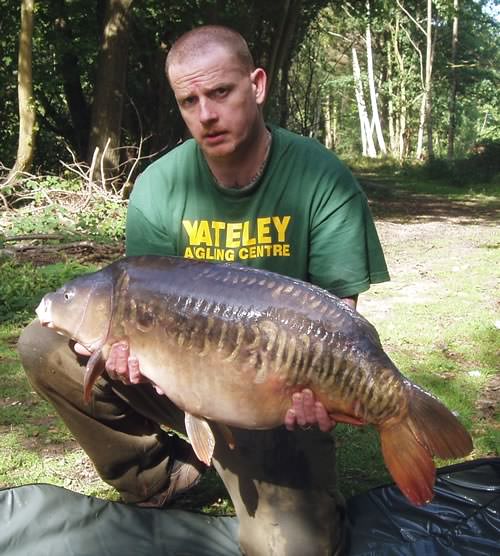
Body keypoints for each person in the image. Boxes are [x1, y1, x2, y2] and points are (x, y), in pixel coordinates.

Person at [18, 25, 389, 556]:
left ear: (256, 86)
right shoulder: (159, 187)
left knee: (296, 548)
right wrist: (123, 353)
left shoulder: (320, 178)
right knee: (42, 345)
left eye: (220, 93)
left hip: (272, 394)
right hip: (180, 379)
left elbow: (339, 316)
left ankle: (270, 463)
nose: (206, 114)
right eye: (189, 100)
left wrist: (325, 391)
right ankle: (163, 477)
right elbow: (142, 302)